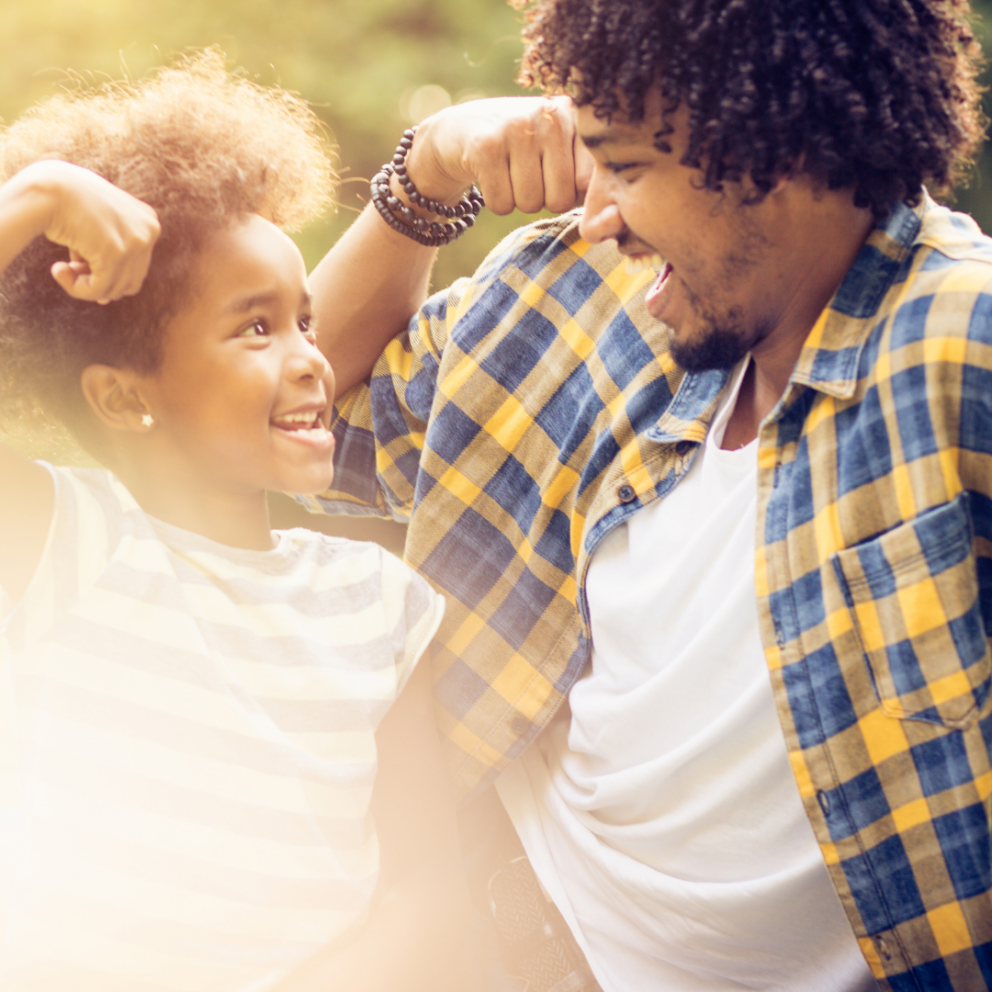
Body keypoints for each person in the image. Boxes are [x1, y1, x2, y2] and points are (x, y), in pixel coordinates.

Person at [305, 0, 992, 989]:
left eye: (623, 167)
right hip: (493, 928)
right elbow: (288, 414)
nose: (597, 212)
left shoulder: (957, 337)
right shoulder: (579, 286)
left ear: (775, 146)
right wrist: (425, 176)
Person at [0, 52, 475, 992]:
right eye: (255, 329)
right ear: (124, 399)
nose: (309, 359)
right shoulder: (60, 543)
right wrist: (33, 200)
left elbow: (434, 897)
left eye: (303, 320)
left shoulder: (378, 601)